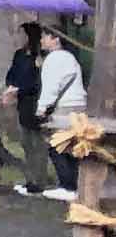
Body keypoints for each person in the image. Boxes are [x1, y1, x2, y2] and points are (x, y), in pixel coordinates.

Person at [36, 22, 90, 199]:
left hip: (64, 108)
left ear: (55, 39)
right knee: (73, 145)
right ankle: (75, 185)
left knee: (56, 144)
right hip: (79, 106)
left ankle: (67, 186)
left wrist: (41, 109)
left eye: (45, 37)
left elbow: (51, 87)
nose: (42, 40)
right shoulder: (70, 58)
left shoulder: (53, 59)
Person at [12, 26, 56, 197]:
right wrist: (11, 87)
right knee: (26, 142)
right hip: (23, 104)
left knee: (38, 144)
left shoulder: (43, 58)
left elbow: (38, 83)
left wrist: (38, 68)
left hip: (37, 103)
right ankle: (30, 179)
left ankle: (40, 180)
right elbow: (13, 74)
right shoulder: (20, 55)